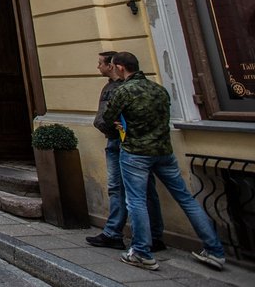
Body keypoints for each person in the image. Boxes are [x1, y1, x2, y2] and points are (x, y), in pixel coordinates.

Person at [102, 51, 226, 272]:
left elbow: (107, 119)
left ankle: (141, 252)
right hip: (164, 152)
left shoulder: (124, 91)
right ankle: (215, 250)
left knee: (136, 201)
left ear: (120, 68)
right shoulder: (159, 90)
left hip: (136, 153)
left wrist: (121, 127)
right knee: (186, 199)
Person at [86, 51, 165, 252]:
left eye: (100, 63)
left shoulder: (127, 88)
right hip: (117, 142)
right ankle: (114, 233)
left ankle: (151, 238)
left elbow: (116, 116)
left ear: (113, 66)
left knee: (143, 192)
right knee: (118, 188)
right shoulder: (110, 87)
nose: (98, 67)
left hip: (129, 145)